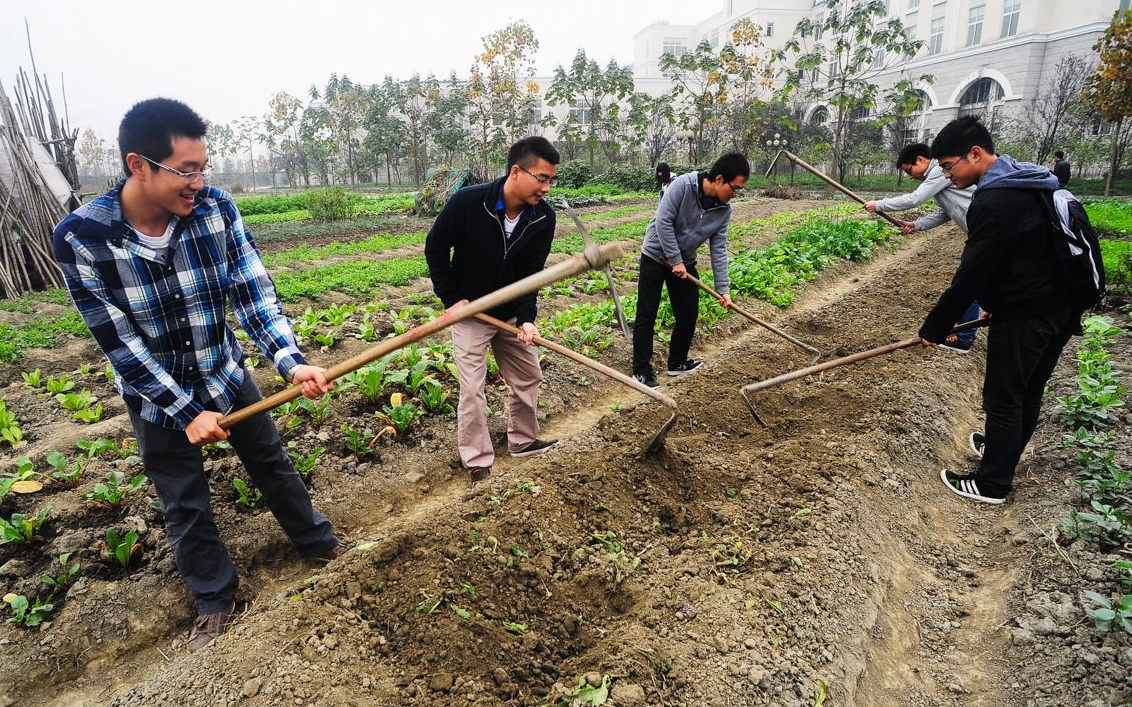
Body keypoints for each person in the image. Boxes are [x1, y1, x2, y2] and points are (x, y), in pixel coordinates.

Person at [52, 98, 347, 652]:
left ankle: (318, 543)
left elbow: (253, 293)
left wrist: (289, 360)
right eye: (185, 171)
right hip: (157, 395)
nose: (198, 182)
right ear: (138, 164)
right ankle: (215, 599)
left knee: (273, 464)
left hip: (224, 370)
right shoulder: (81, 239)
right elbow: (119, 343)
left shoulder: (216, 209)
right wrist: (185, 413)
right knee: (183, 500)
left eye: (202, 168)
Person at [919, 116, 1079, 505]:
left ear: (975, 153)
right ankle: (1002, 452)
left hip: (1029, 312)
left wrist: (935, 327)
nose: (946, 175)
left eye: (948, 166)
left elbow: (973, 273)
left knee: (1004, 397)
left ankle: (993, 483)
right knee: (1028, 390)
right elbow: (1025, 255)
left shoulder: (994, 198)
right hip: (1061, 306)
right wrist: (995, 305)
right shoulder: (1031, 181)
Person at [425, 137, 560, 484]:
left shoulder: (543, 217)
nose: (546, 187)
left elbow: (532, 274)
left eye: (550, 180)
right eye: (541, 178)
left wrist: (527, 319)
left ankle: (523, 441)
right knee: (472, 388)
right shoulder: (469, 202)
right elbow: (436, 246)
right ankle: (477, 460)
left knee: (529, 376)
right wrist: (452, 299)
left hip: (510, 313)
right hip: (470, 313)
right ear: (516, 171)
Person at [632, 152, 748, 389]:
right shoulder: (682, 185)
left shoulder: (724, 211)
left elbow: (719, 249)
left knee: (688, 314)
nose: (735, 194)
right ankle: (641, 371)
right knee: (647, 314)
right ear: (719, 179)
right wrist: (675, 260)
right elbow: (663, 221)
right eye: (734, 188)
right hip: (655, 256)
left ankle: (677, 362)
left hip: (685, 261)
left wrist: (723, 289)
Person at [864, 143, 981, 353]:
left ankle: (963, 338)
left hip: (983, 233)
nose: (910, 176)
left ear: (921, 160)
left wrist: (879, 204)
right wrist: (916, 225)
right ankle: (966, 331)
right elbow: (944, 213)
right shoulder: (941, 177)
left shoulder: (938, 171)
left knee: (968, 282)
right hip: (979, 233)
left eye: (910, 170)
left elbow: (915, 199)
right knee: (972, 281)